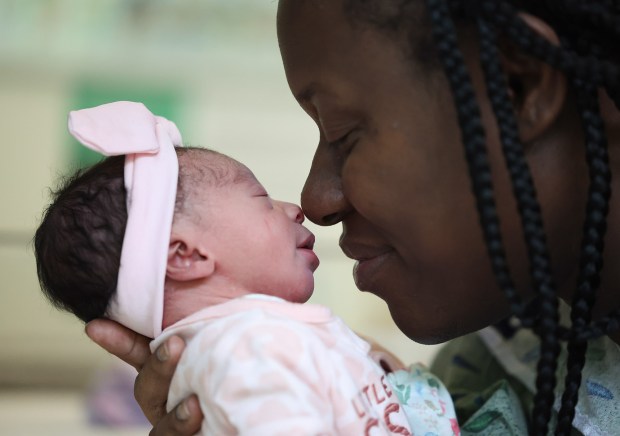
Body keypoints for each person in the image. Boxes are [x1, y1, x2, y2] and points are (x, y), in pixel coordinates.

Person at [83, 1, 620, 435]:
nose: (315, 201)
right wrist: (378, 396)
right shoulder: (504, 349)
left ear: (517, 86)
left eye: (341, 131)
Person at [34, 101, 461, 435]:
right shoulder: (248, 349)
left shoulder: (248, 343)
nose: (295, 209)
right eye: (262, 199)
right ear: (187, 255)